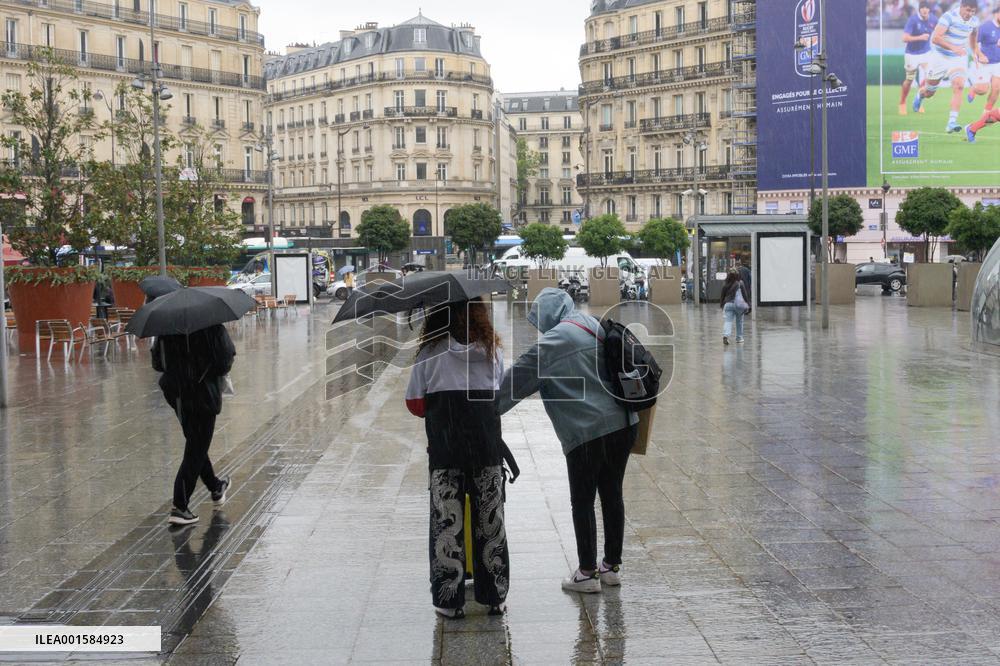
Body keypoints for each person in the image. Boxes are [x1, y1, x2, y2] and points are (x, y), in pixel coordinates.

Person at [497, 288, 638, 594]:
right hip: (624, 425)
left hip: (586, 433)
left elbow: (511, 386)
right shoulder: (595, 324)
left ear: (546, 316)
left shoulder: (550, 344)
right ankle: (610, 567)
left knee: (583, 501)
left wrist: (481, 412)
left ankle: (586, 573)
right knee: (612, 493)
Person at [405, 298, 510, 619]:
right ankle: (494, 596)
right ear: (479, 315)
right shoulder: (491, 352)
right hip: (486, 449)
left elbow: (414, 403)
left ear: (436, 316)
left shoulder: (428, 355)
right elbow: (500, 394)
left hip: (446, 451)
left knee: (446, 525)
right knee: (490, 522)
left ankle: (449, 601)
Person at [152, 324, 235, 526]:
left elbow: (158, 363)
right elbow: (225, 361)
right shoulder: (211, 325)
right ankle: (180, 506)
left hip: (177, 394)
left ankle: (216, 487)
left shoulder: (167, 328)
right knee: (196, 449)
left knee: (196, 443)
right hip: (203, 393)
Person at [913, 0, 982, 133]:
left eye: (973, 11)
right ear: (961, 7)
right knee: (929, 92)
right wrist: (953, 47)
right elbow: (935, 38)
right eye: (968, 10)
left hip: (958, 57)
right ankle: (920, 94)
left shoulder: (975, 20)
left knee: (959, 85)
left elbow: (973, 36)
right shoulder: (948, 17)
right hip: (939, 57)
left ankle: (952, 122)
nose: (970, 14)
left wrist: (975, 52)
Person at [966, 3, 1000, 143]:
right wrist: (980, 55)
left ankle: (986, 111)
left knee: (996, 88)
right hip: (985, 63)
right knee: (982, 90)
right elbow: (973, 43)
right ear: (996, 14)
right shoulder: (985, 27)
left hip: (998, 63)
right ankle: (974, 88)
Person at [899, 1, 936, 115]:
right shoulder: (913, 20)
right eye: (922, 8)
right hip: (912, 53)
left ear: (929, 10)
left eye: (926, 8)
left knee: (929, 76)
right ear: (919, 9)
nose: (924, 10)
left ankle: (919, 101)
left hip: (926, 53)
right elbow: (904, 38)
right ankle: (902, 102)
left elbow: (941, 31)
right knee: (909, 79)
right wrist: (920, 37)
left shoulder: (934, 19)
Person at [720, 268, 751, 346]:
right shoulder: (740, 283)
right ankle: (739, 338)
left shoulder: (725, 283)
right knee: (739, 321)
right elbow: (744, 295)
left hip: (728, 304)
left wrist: (722, 305)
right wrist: (748, 305)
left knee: (728, 321)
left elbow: (722, 296)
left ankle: (726, 335)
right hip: (739, 305)